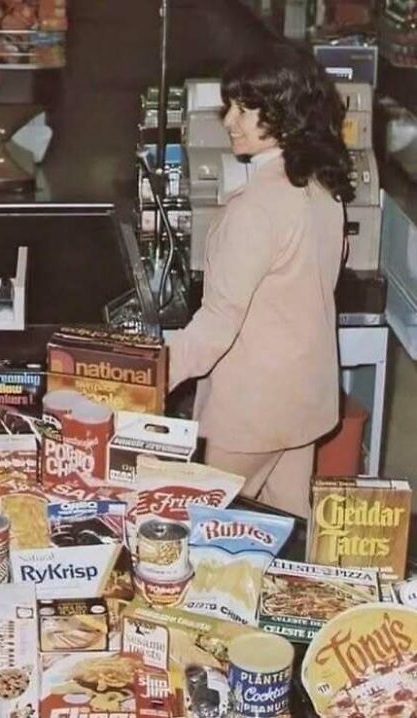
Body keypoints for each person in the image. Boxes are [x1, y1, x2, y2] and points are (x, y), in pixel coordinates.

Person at [166, 43, 355, 518]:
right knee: (288, 528)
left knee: (213, 533)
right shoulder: (322, 189)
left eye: (246, 109)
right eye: (231, 106)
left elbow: (216, 324)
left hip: (252, 409)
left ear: (285, 113)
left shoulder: (256, 209)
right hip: (303, 399)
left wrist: (143, 377)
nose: (230, 120)